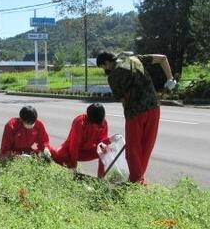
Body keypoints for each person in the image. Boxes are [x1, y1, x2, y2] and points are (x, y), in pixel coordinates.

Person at [96, 51, 176, 184]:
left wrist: (128, 115)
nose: (104, 69)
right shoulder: (135, 58)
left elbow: (123, 100)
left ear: (107, 63)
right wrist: (170, 79)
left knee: (133, 150)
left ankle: (136, 182)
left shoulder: (113, 77)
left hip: (135, 113)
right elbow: (163, 58)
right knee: (147, 145)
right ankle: (138, 179)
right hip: (154, 107)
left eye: (103, 66)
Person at [49, 103, 112, 177]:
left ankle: (101, 178)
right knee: (56, 156)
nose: (99, 127)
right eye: (96, 126)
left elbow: (102, 143)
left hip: (86, 151)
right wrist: (73, 165)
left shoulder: (103, 123)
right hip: (70, 150)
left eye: (99, 125)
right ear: (89, 118)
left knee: (104, 151)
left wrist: (107, 144)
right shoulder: (79, 122)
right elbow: (74, 146)